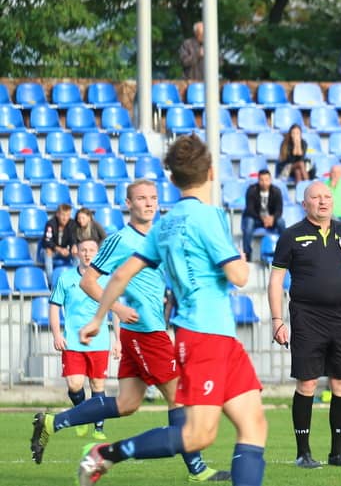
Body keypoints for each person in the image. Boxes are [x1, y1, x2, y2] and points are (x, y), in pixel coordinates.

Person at [74, 135, 266, 486]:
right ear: (211, 172)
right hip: (206, 336)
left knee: (253, 424)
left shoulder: (164, 225)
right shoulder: (209, 216)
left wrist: (98, 318)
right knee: (198, 434)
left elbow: (121, 275)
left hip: (217, 336)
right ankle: (106, 454)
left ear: (173, 180)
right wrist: (240, 261)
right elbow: (238, 276)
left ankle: (106, 453)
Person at [30, 179, 230, 482]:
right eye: (141, 198)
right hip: (145, 332)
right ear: (128, 203)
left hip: (149, 330)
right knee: (180, 397)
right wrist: (117, 309)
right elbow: (88, 282)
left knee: (126, 404)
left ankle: (51, 423)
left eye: (153, 198)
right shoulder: (120, 240)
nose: (148, 203)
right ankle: (197, 469)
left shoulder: (160, 236)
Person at [269, 181, 341, 470]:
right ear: (304, 203)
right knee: (307, 382)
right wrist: (277, 321)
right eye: (316, 197)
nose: (323, 201)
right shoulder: (291, 236)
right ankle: (303, 453)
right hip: (307, 318)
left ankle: (338, 453)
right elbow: (276, 280)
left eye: (327, 197)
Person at [45, 240, 119, 442]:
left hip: (99, 341)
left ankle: (99, 428)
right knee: (75, 384)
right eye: (84, 250)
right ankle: (82, 415)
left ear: (98, 253)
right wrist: (57, 334)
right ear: (76, 252)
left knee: (97, 384)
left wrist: (118, 340)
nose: (87, 254)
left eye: (92, 250)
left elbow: (115, 311)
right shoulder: (65, 278)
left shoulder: (106, 279)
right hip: (73, 342)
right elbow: (54, 306)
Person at [241, 170, 286, 261]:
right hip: (256, 218)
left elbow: (279, 210)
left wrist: (272, 218)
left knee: (281, 222)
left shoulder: (276, 191)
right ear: (258, 180)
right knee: (249, 223)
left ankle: (284, 251)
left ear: (270, 180)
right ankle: (247, 254)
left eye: (266, 180)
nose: (264, 182)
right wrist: (263, 219)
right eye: (261, 180)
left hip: (271, 219)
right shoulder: (252, 190)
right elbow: (250, 210)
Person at [42, 203, 75, 282]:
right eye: (63, 215)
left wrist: (73, 247)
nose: (65, 218)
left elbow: (74, 239)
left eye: (68, 215)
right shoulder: (50, 224)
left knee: (77, 253)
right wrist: (58, 249)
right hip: (53, 250)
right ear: (57, 214)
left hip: (66, 251)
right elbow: (47, 241)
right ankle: (51, 282)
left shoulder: (72, 224)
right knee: (48, 251)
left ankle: (74, 280)